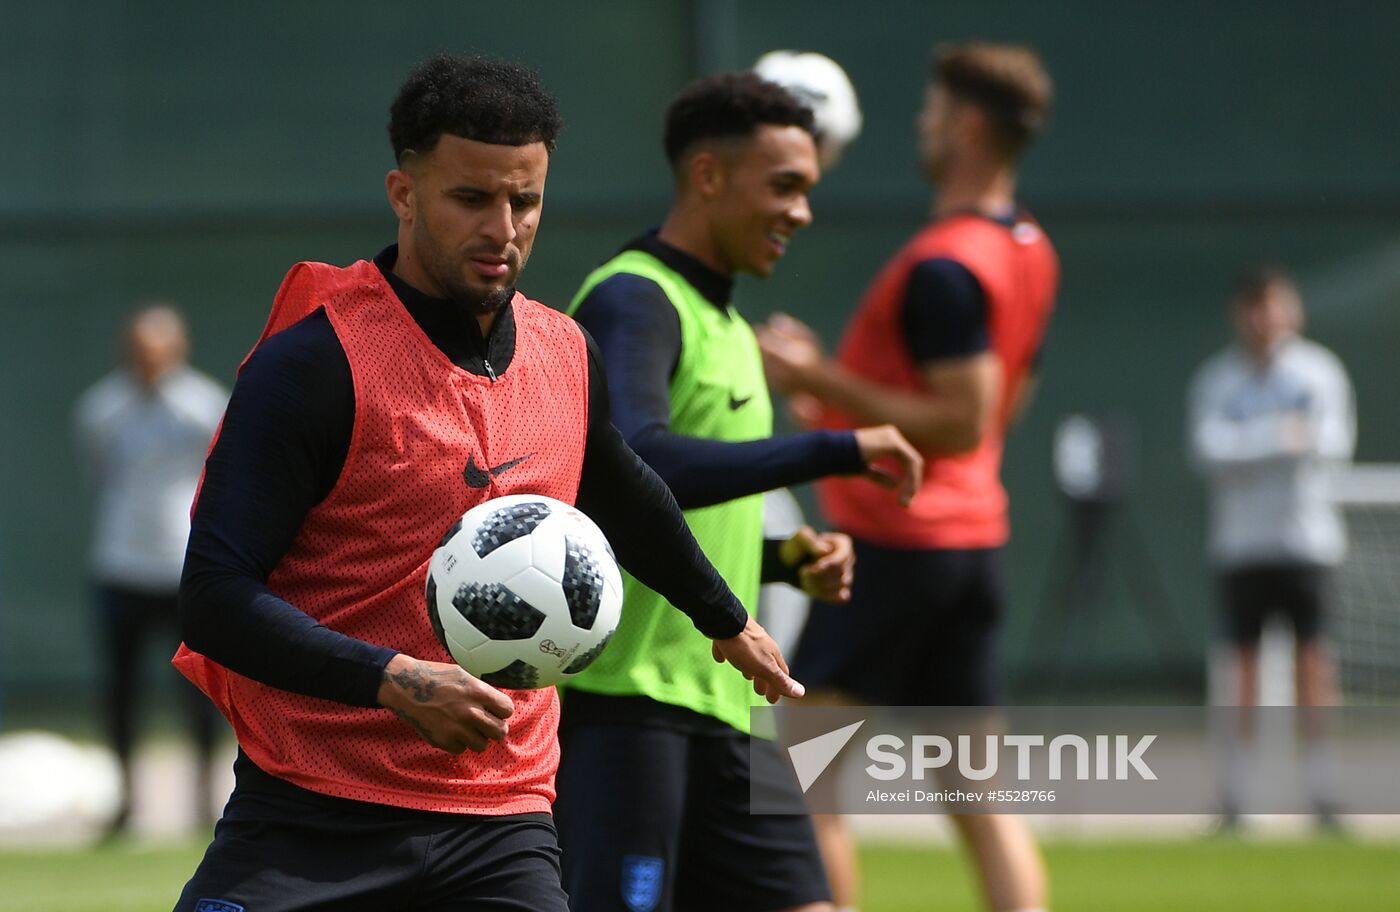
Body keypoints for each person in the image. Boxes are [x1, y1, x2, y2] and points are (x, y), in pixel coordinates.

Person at [169, 55, 801, 911]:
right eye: (472, 199)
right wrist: (393, 679)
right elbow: (212, 596)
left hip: (502, 822)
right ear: (404, 192)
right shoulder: (314, 365)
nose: (503, 227)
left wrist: (726, 618)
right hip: (312, 817)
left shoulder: (566, 353)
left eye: (526, 200)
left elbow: (624, 489)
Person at [554, 71, 922, 912]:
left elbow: (674, 525)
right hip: (626, 706)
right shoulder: (634, 299)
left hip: (728, 703)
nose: (801, 212)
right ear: (709, 176)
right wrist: (835, 447)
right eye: (784, 186)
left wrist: (785, 561)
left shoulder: (726, 327)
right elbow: (639, 464)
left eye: (808, 190)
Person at [759, 42, 1058, 912]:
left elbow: (963, 416)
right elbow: (1002, 412)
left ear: (966, 127)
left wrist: (813, 376)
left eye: (931, 114)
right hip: (970, 542)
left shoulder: (946, 264)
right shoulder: (1029, 246)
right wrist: (850, 413)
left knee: (801, 781)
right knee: (978, 799)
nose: (920, 127)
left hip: (898, 544)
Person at [1188, 263, 1355, 825]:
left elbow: (1329, 443)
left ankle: (1321, 787)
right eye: (1255, 307)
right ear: (1241, 314)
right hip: (1241, 545)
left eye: (1276, 305)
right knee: (1243, 667)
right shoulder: (1217, 380)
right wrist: (1277, 436)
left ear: (1293, 310)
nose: (1266, 318)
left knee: (1314, 661)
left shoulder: (1319, 373)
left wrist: (1258, 445)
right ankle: (1237, 795)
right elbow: (1209, 450)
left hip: (1306, 540)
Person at [72, 304, 227, 836]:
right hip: (120, 563)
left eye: (159, 349)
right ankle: (125, 803)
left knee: (201, 689)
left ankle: (205, 801)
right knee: (120, 690)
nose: (150, 359)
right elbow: (98, 472)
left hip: (183, 566)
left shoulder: (204, 406)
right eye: (141, 349)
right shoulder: (101, 409)